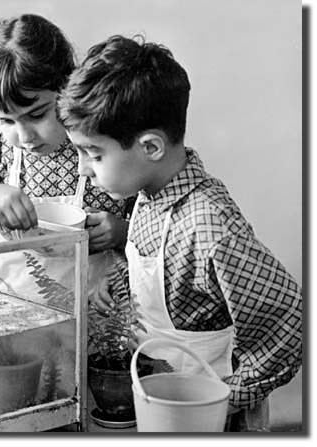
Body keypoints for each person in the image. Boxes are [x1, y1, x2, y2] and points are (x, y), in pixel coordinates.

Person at [57, 34, 302, 431]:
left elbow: (289, 320)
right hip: (168, 403)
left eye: (94, 154)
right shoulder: (149, 196)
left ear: (150, 146)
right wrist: (121, 285)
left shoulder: (209, 226)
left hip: (214, 416)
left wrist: (226, 398)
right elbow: (179, 284)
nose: (84, 168)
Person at [0, 13, 133, 303]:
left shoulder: (102, 140)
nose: (25, 135)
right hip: (12, 318)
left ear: (67, 87)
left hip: (98, 322)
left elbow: (160, 221)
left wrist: (123, 234)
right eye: (6, 121)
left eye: (37, 114)